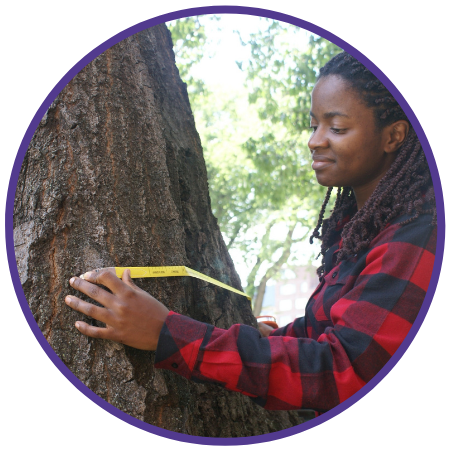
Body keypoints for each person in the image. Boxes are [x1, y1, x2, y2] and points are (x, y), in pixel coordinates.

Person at [65, 52, 437, 413]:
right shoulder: (362, 229)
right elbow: (321, 332)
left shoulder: (419, 236)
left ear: (394, 136)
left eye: (336, 128)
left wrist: (168, 333)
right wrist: (266, 338)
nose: (314, 140)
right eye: (314, 125)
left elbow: (343, 372)